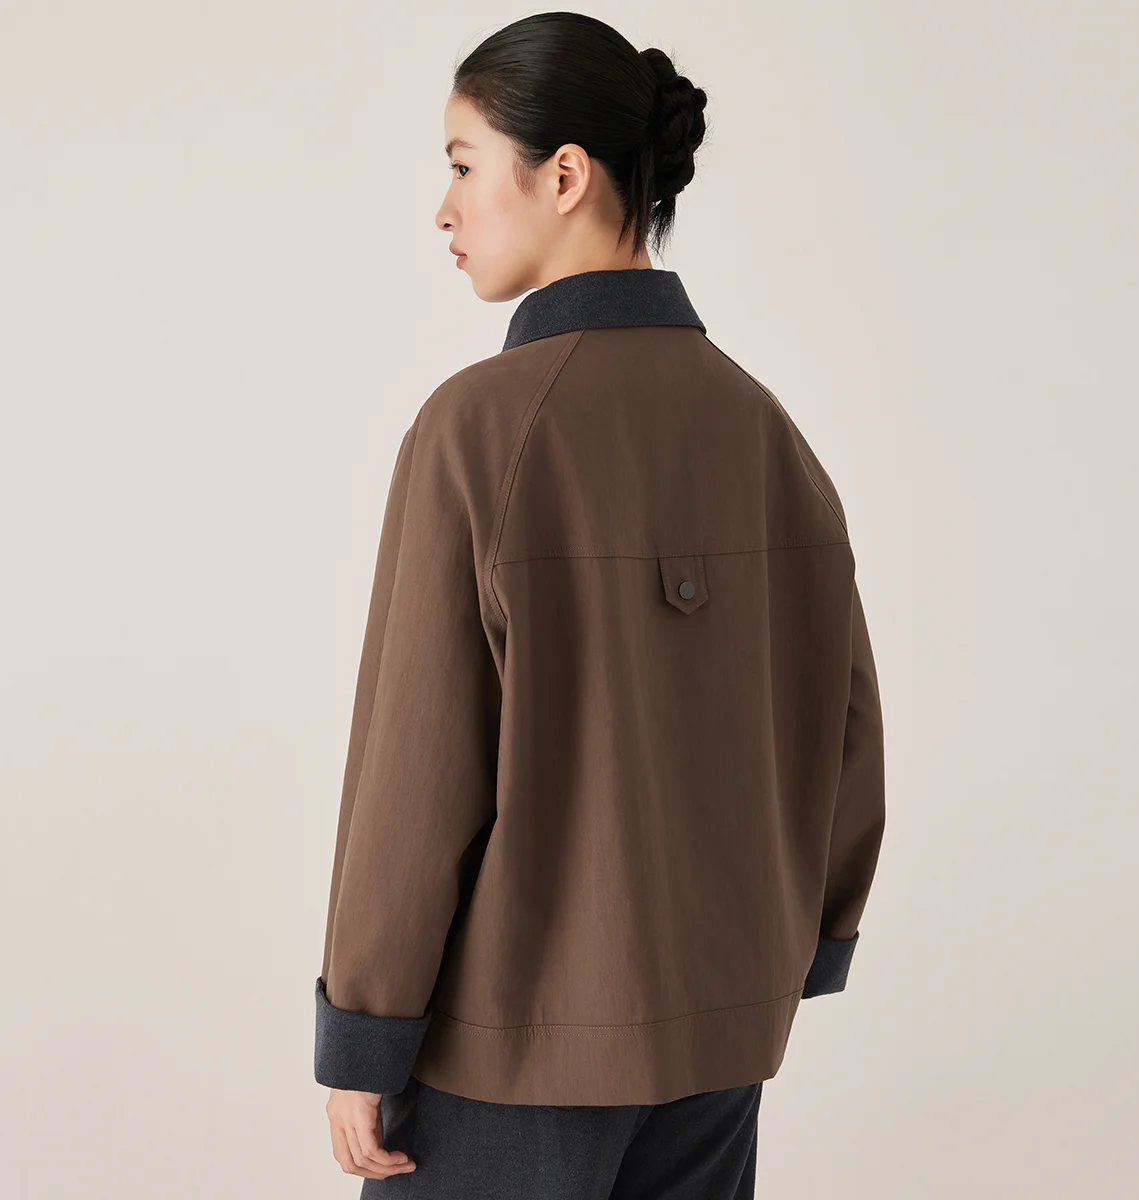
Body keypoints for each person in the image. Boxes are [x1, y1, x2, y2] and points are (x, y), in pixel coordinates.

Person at [314, 12, 886, 1198]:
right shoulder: (764, 427)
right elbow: (847, 724)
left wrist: (364, 1033)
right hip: (718, 1041)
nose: (444, 209)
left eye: (464, 163)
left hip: (510, 1053)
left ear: (565, 175)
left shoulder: (480, 430)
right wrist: (809, 939)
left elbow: (418, 771)